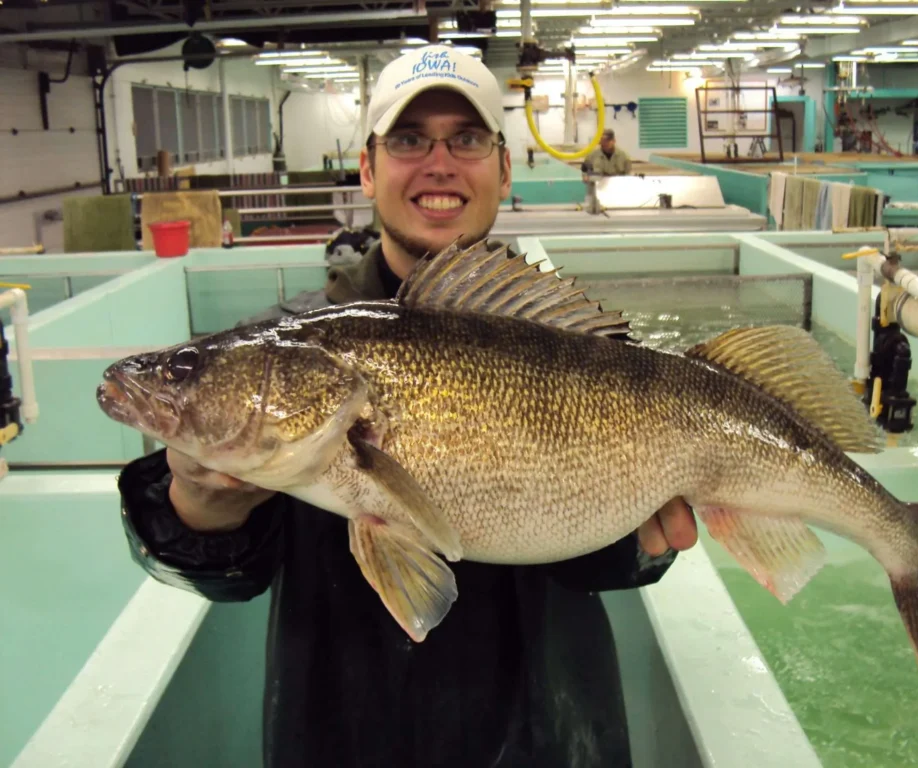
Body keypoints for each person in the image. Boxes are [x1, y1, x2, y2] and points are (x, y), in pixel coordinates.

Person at [117, 45, 697, 768]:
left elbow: (597, 563)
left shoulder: (579, 348)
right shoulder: (289, 349)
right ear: (367, 167)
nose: (440, 162)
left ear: (504, 168)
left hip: (549, 734)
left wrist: (639, 547)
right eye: (409, 139)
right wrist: (199, 509)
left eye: (468, 139)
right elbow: (224, 573)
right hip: (341, 735)